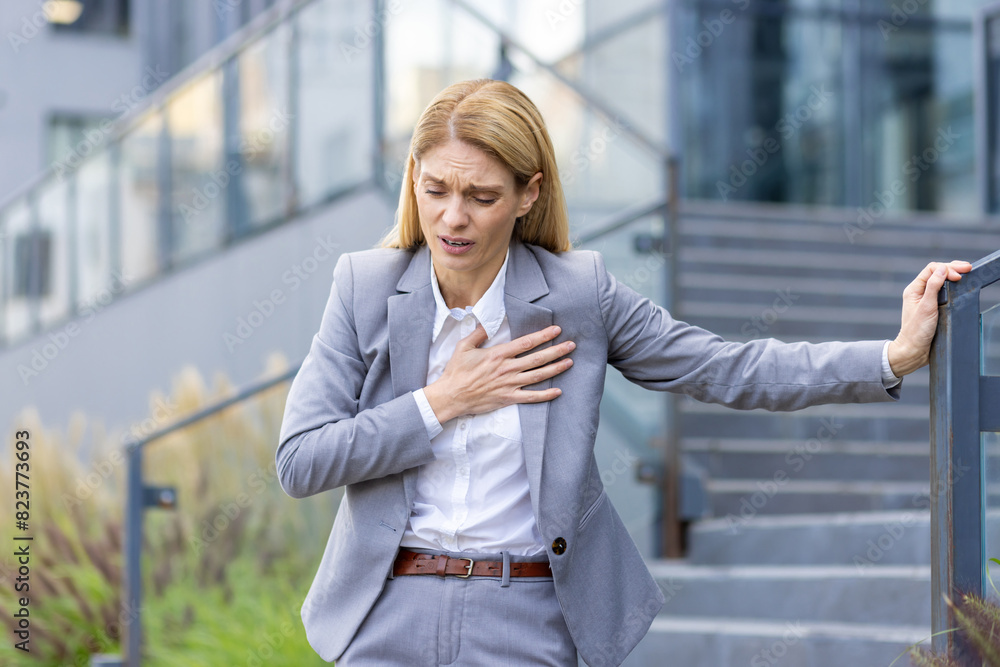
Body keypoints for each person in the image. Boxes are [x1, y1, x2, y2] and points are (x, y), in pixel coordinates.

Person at [275, 78, 970, 666]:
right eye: (435, 189)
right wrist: (441, 400)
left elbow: (725, 366)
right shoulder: (364, 287)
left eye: (482, 196)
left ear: (527, 194)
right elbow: (300, 459)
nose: (452, 218)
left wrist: (893, 354)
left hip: (525, 615)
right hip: (389, 610)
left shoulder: (578, 294)